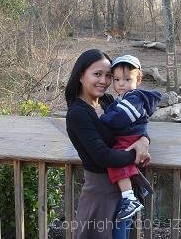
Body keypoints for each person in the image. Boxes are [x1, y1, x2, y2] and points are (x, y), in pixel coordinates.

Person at [65, 49, 151, 239]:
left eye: (108, 75)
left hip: (124, 193)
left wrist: (144, 141)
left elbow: (135, 126)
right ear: (80, 75)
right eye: (97, 74)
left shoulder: (107, 101)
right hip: (101, 194)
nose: (104, 81)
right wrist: (135, 154)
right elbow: (103, 156)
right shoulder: (78, 113)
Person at [99, 55, 161, 221]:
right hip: (131, 136)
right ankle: (133, 189)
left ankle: (129, 198)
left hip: (130, 136)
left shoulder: (134, 97)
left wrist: (101, 121)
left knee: (115, 159)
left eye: (127, 79)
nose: (120, 83)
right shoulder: (123, 98)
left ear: (138, 79)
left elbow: (121, 118)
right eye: (117, 79)